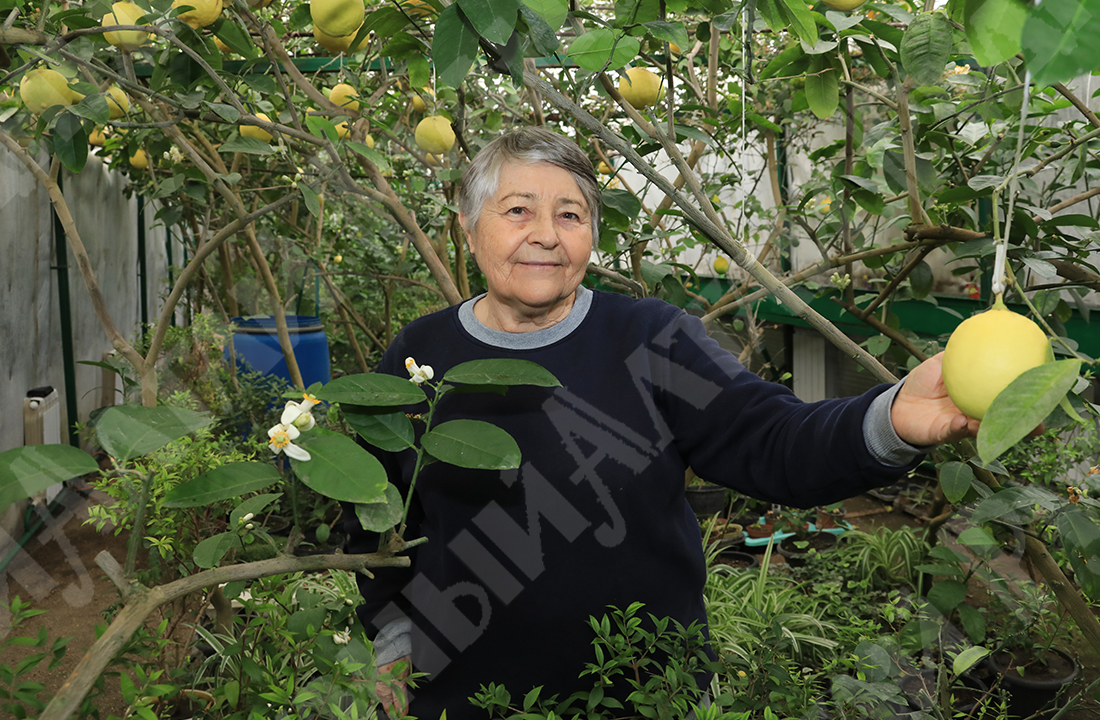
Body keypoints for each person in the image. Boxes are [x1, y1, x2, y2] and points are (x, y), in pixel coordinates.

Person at [344, 127, 979, 719]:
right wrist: (393, 638)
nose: (545, 234)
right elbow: (377, 511)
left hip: (646, 688)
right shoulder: (419, 356)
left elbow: (773, 441)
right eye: (518, 210)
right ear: (468, 226)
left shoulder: (652, 340)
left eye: (570, 214)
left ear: (592, 233)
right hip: (466, 688)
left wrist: (890, 418)